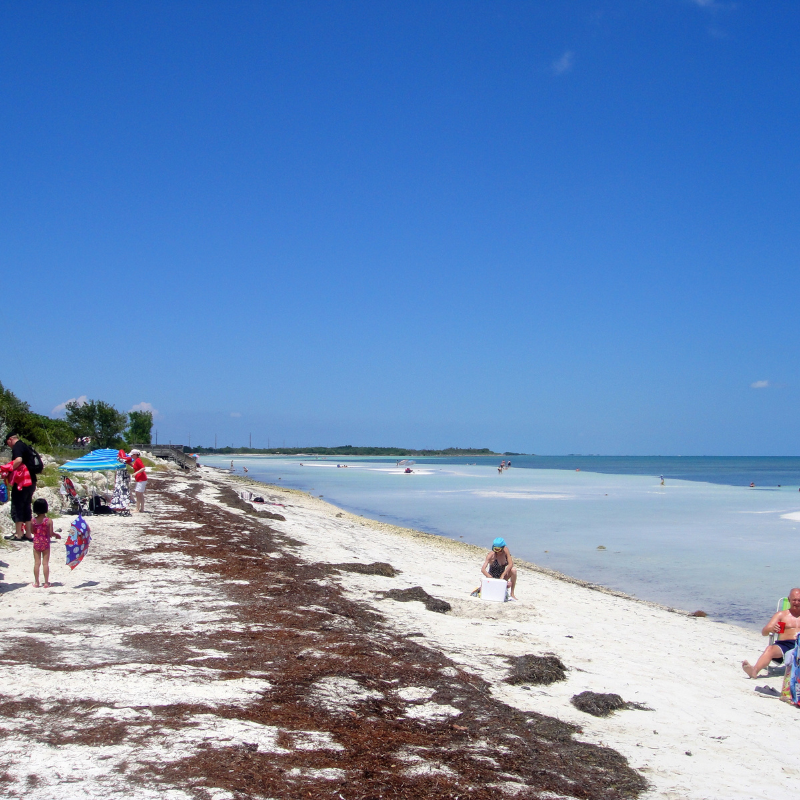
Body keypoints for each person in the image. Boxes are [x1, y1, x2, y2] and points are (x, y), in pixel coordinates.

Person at [742, 588, 800, 678]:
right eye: (794, 600)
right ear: (789, 600)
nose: (796, 602)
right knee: (770, 649)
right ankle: (754, 671)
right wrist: (772, 628)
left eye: (799, 600)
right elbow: (764, 632)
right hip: (784, 644)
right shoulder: (781, 615)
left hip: (799, 643)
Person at [4, 432, 37, 541]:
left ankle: (18, 534)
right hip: (31, 481)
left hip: (22, 482)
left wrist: (8, 470)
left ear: (10, 439)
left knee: (17, 506)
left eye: (7, 443)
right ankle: (28, 533)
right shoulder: (25, 446)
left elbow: (18, 460)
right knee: (27, 506)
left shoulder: (17, 447)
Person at [30, 498, 61, 588]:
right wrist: (56, 535)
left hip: (36, 543)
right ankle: (46, 583)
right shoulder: (49, 521)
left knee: (36, 563)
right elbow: (51, 534)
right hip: (46, 543)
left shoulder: (33, 520)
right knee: (45, 563)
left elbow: (32, 531)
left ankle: (36, 583)